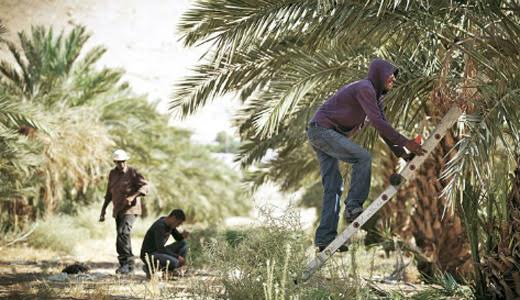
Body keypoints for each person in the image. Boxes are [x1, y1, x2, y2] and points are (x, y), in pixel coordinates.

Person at [307, 59, 426, 252]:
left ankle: (325, 239)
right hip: (322, 131)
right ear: (379, 73)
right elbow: (378, 123)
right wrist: (407, 142)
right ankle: (353, 206)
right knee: (362, 157)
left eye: (394, 78)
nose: (393, 80)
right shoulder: (365, 88)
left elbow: (382, 129)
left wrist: (403, 154)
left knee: (333, 187)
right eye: (390, 76)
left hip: (323, 132)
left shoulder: (374, 98)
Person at [99, 149, 148, 274]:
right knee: (121, 236)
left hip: (130, 209)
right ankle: (126, 265)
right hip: (118, 210)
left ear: (126, 161)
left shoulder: (133, 172)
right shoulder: (112, 174)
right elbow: (109, 193)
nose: (120, 164)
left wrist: (133, 196)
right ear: (114, 162)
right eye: (118, 162)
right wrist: (103, 210)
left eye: (123, 162)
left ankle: (127, 264)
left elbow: (145, 186)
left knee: (123, 233)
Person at [140, 209, 189, 279]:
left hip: (158, 252)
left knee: (183, 243)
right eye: (178, 223)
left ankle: (176, 269)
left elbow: (178, 239)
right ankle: (150, 267)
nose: (178, 226)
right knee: (175, 262)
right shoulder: (160, 226)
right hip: (149, 254)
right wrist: (177, 257)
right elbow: (161, 248)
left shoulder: (170, 225)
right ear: (173, 218)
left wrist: (183, 235)